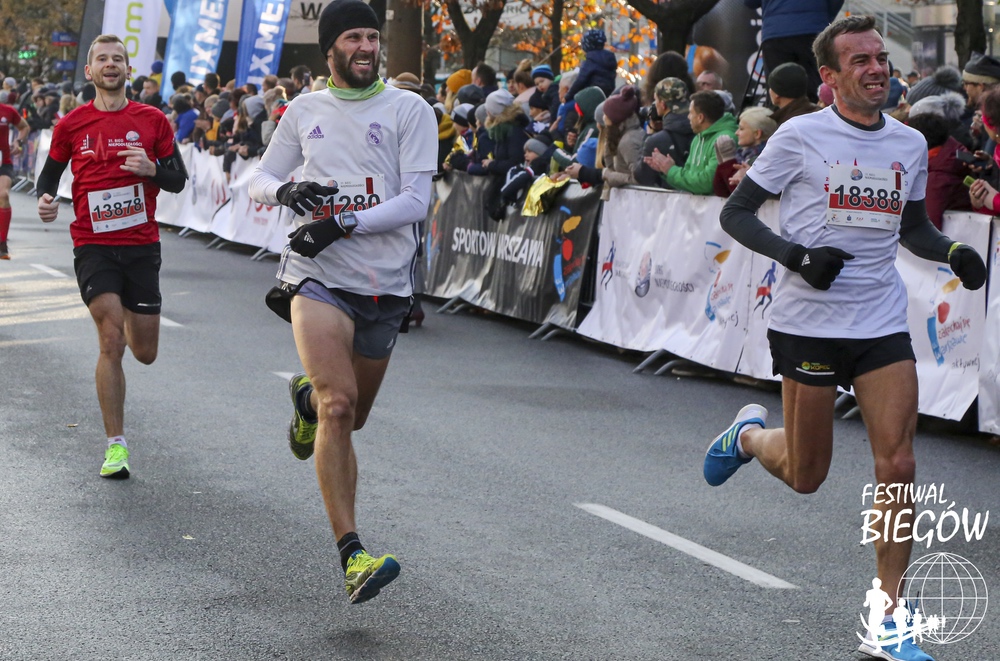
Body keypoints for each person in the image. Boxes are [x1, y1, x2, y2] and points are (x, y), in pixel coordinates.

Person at [709, 16, 986, 661]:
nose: (876, 68)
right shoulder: (800, 136)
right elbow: (735, 212)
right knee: (807, 475)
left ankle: (888, 617)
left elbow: (912, 228)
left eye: (880, 57)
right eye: (859, 60)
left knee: (899, 464)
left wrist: (951, 252)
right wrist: (798, 257)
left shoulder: (908, 143)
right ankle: (747, 437)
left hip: (880, 320)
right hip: (808, 322)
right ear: (829, 76)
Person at [247, 0, 437, 604]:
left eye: (372, 37)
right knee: (340, 406)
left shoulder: (410, 109)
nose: (366, 47)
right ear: (329, 47)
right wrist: (287, 190)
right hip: (317, 276)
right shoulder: (305, 110)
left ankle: (304, 397)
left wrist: (341, 222)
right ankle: (353, 555)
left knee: (353, 417)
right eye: (353, 36)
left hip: (386, 285)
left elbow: (416, 201)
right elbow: (258, 177)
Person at [34, 34, 187, 478]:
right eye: (102, 59)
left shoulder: (152, 120)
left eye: (118, 58)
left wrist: (152, 169)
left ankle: (136, 334)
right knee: (110, 340)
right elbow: (49, 175)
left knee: (144, 351)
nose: (110, 64)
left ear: (127, 69)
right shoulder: (71, 125)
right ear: (90, 71)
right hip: (93, 243)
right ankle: (115, 445)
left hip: (141, 246)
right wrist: (45, 199)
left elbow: (178, 179)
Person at [745, 0, 845, 103]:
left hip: (776, 32)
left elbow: (750, 3)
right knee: (817, 87)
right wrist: (824, 17)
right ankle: (816, 109)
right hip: (813, 28)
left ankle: (781, 111)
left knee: (779, 87)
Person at [642, 90, 737, 194]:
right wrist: (665, 170)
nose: (688, 117)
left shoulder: (725, 139)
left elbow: (707, 184)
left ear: (700, 118)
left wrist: (671, 170)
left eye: (691, 113)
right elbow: (689, 179)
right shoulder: (697, 139)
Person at [636, 77, 695, 188]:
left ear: (663, 105)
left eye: (656, 100)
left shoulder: (656, 141)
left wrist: (649, 135)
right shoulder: (701, 131)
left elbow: (642, 177)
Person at [0, 94, 30, 259]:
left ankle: (2, 244)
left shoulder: (7, 111)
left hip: (3, 162)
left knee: (3, 195)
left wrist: (18, 142)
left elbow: (24, 127)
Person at [566, 29, 617, 101]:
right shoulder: (610, 57)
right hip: (606, 95)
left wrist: (568, 96)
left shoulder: (590, 59)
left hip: (591, 95)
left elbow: (580, 80)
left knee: (565, 107)